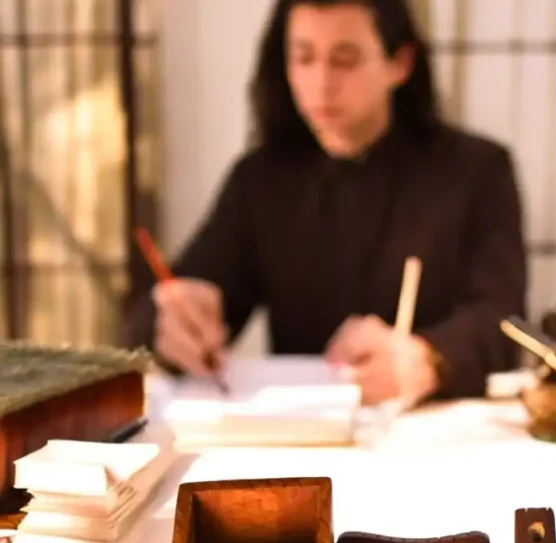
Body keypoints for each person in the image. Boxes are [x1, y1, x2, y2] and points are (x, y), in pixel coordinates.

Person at [124, 0, 527, 406]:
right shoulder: (262, 179)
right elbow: (168, 301)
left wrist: (428, 358)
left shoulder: (477, 171)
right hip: (303, 429)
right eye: (303, 58)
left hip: (432, 429)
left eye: (345, 59)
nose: (321, 83)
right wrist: (169, 324)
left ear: (400, 63)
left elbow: (505, 321)